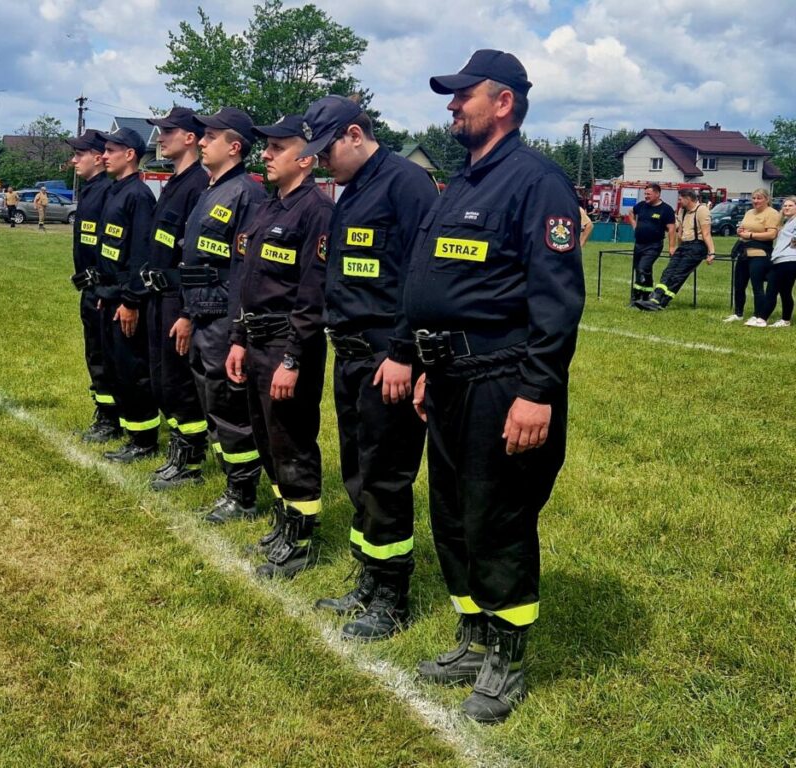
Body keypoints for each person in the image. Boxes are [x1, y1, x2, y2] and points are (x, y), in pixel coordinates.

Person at [402, 50, 585, 723]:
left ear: (503, 102)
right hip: (450, 379)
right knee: (452, 514)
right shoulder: (465, 180)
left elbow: (556, 301)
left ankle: (507, 659)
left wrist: (537, 392)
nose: (452, 106)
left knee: (497, 516)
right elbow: (447, 285)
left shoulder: (536, 182)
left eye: (463, 95)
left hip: (503, 382)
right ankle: (474, 638)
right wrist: (429, 364)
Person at [302, 95, 436, 640]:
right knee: (358, 472)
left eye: (326, 149)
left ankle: (392, 596)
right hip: (352, 354)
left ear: (355, 134)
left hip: (388, 356)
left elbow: (421, 277)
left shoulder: (407, 183)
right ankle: (369, 575)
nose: (320, 161)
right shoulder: (353, 188)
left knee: (385, 476)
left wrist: (404, 353)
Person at [225, 115, 333, 579]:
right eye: (266, 147)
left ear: (306, 158)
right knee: (268, 438)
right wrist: (238, 339)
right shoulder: (269, 207)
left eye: (277, 148)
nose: (265, 155)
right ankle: (284, 517)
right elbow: (247, 281)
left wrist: (293, 358)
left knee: (291, 440)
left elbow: (312, 295)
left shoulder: (317, 211)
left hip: (287, 345)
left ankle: (302, 540)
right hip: (256, 340)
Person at [179, 108, 266, 522]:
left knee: (230, 408)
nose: (201, 142)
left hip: (223, 316)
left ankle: (243, 493)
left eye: (210, 137)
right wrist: (187, 311)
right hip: (201, 312)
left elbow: (248, 269)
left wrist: (237, 329)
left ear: (234, 147)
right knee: (212, 403)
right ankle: (230, 479)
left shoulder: (247, 194)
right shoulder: (210, 191)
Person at [142, 107, 211, 489]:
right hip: (158, 296)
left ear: (189, 138)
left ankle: (191, 459)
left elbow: (195, 255)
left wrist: (187, 311)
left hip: (177, 298)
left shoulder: (198, 184)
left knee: (180, 382)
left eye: (168, 131)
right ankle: (178, 449)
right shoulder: (173, 183)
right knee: (162, 379)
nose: (161, 137)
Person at [89, 128, 161, 462]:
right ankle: (129, 430)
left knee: (133, 370)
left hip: (126, 300)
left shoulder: (139, 195)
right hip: (110, 294)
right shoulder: (115, 191)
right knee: (117, 367)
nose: (104, 156)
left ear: (129, 154)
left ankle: (144, 441)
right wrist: (105, 291)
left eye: (110, 150)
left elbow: (141, 254)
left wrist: (131, 299)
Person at [67, 128, 120, 442]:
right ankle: (104, 411)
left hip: (101, 290)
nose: (74, 160)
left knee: (104, 355)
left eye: (80, 154)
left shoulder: (107, 193)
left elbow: (111, 247)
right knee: (95, 352)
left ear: (98, 158)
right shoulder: (90, 190)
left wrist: (104, 287)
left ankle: (111, 419)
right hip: (90, 288)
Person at [636, 188, 714, 311]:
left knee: (678, 275)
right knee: (668, 272)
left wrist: (711, 252)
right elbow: (679, 232)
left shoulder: (702, 210)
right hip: (684, 245)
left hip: (697, 246)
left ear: (688, 199)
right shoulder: (682, 210)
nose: (679, 201)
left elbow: (706, 233)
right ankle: (655, 298)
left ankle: (662, 303)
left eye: (680, 199)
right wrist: (677, 247)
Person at [729, 189, 781, 326]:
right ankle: (738, 313)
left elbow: (771, 235)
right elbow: (744, 228)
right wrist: (740, 231)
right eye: (754, 198)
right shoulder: (749, 212)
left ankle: (758, 315)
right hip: (744, 252)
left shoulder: (772, 213)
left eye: (759, 198)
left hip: (759, 254)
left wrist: (751, 235)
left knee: (757, 286)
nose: (756, 201)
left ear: (767, 199)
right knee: (739, 284)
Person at [624, 183, 675, 305]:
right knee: (639, 270)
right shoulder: (641, 205)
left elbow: (672, 229)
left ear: (657, 194)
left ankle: (637, 297)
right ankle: (645, 296)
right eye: (645, 194)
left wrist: (672, 247)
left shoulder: (666, 209)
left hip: (654, 245)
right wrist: (635, 225)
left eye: (649, 194)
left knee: (643, 268)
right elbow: (630, 212)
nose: (646, 196)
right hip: (639, 244)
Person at [759, 195, 796, 328]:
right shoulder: (788, 221)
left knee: (774, 289)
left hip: (789, 260)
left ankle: (763, 319)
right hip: (780, 259)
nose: (786, 208)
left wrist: (793, 240)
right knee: (784, 291)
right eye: (785, 205)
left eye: (790, 205)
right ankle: (784, 320)